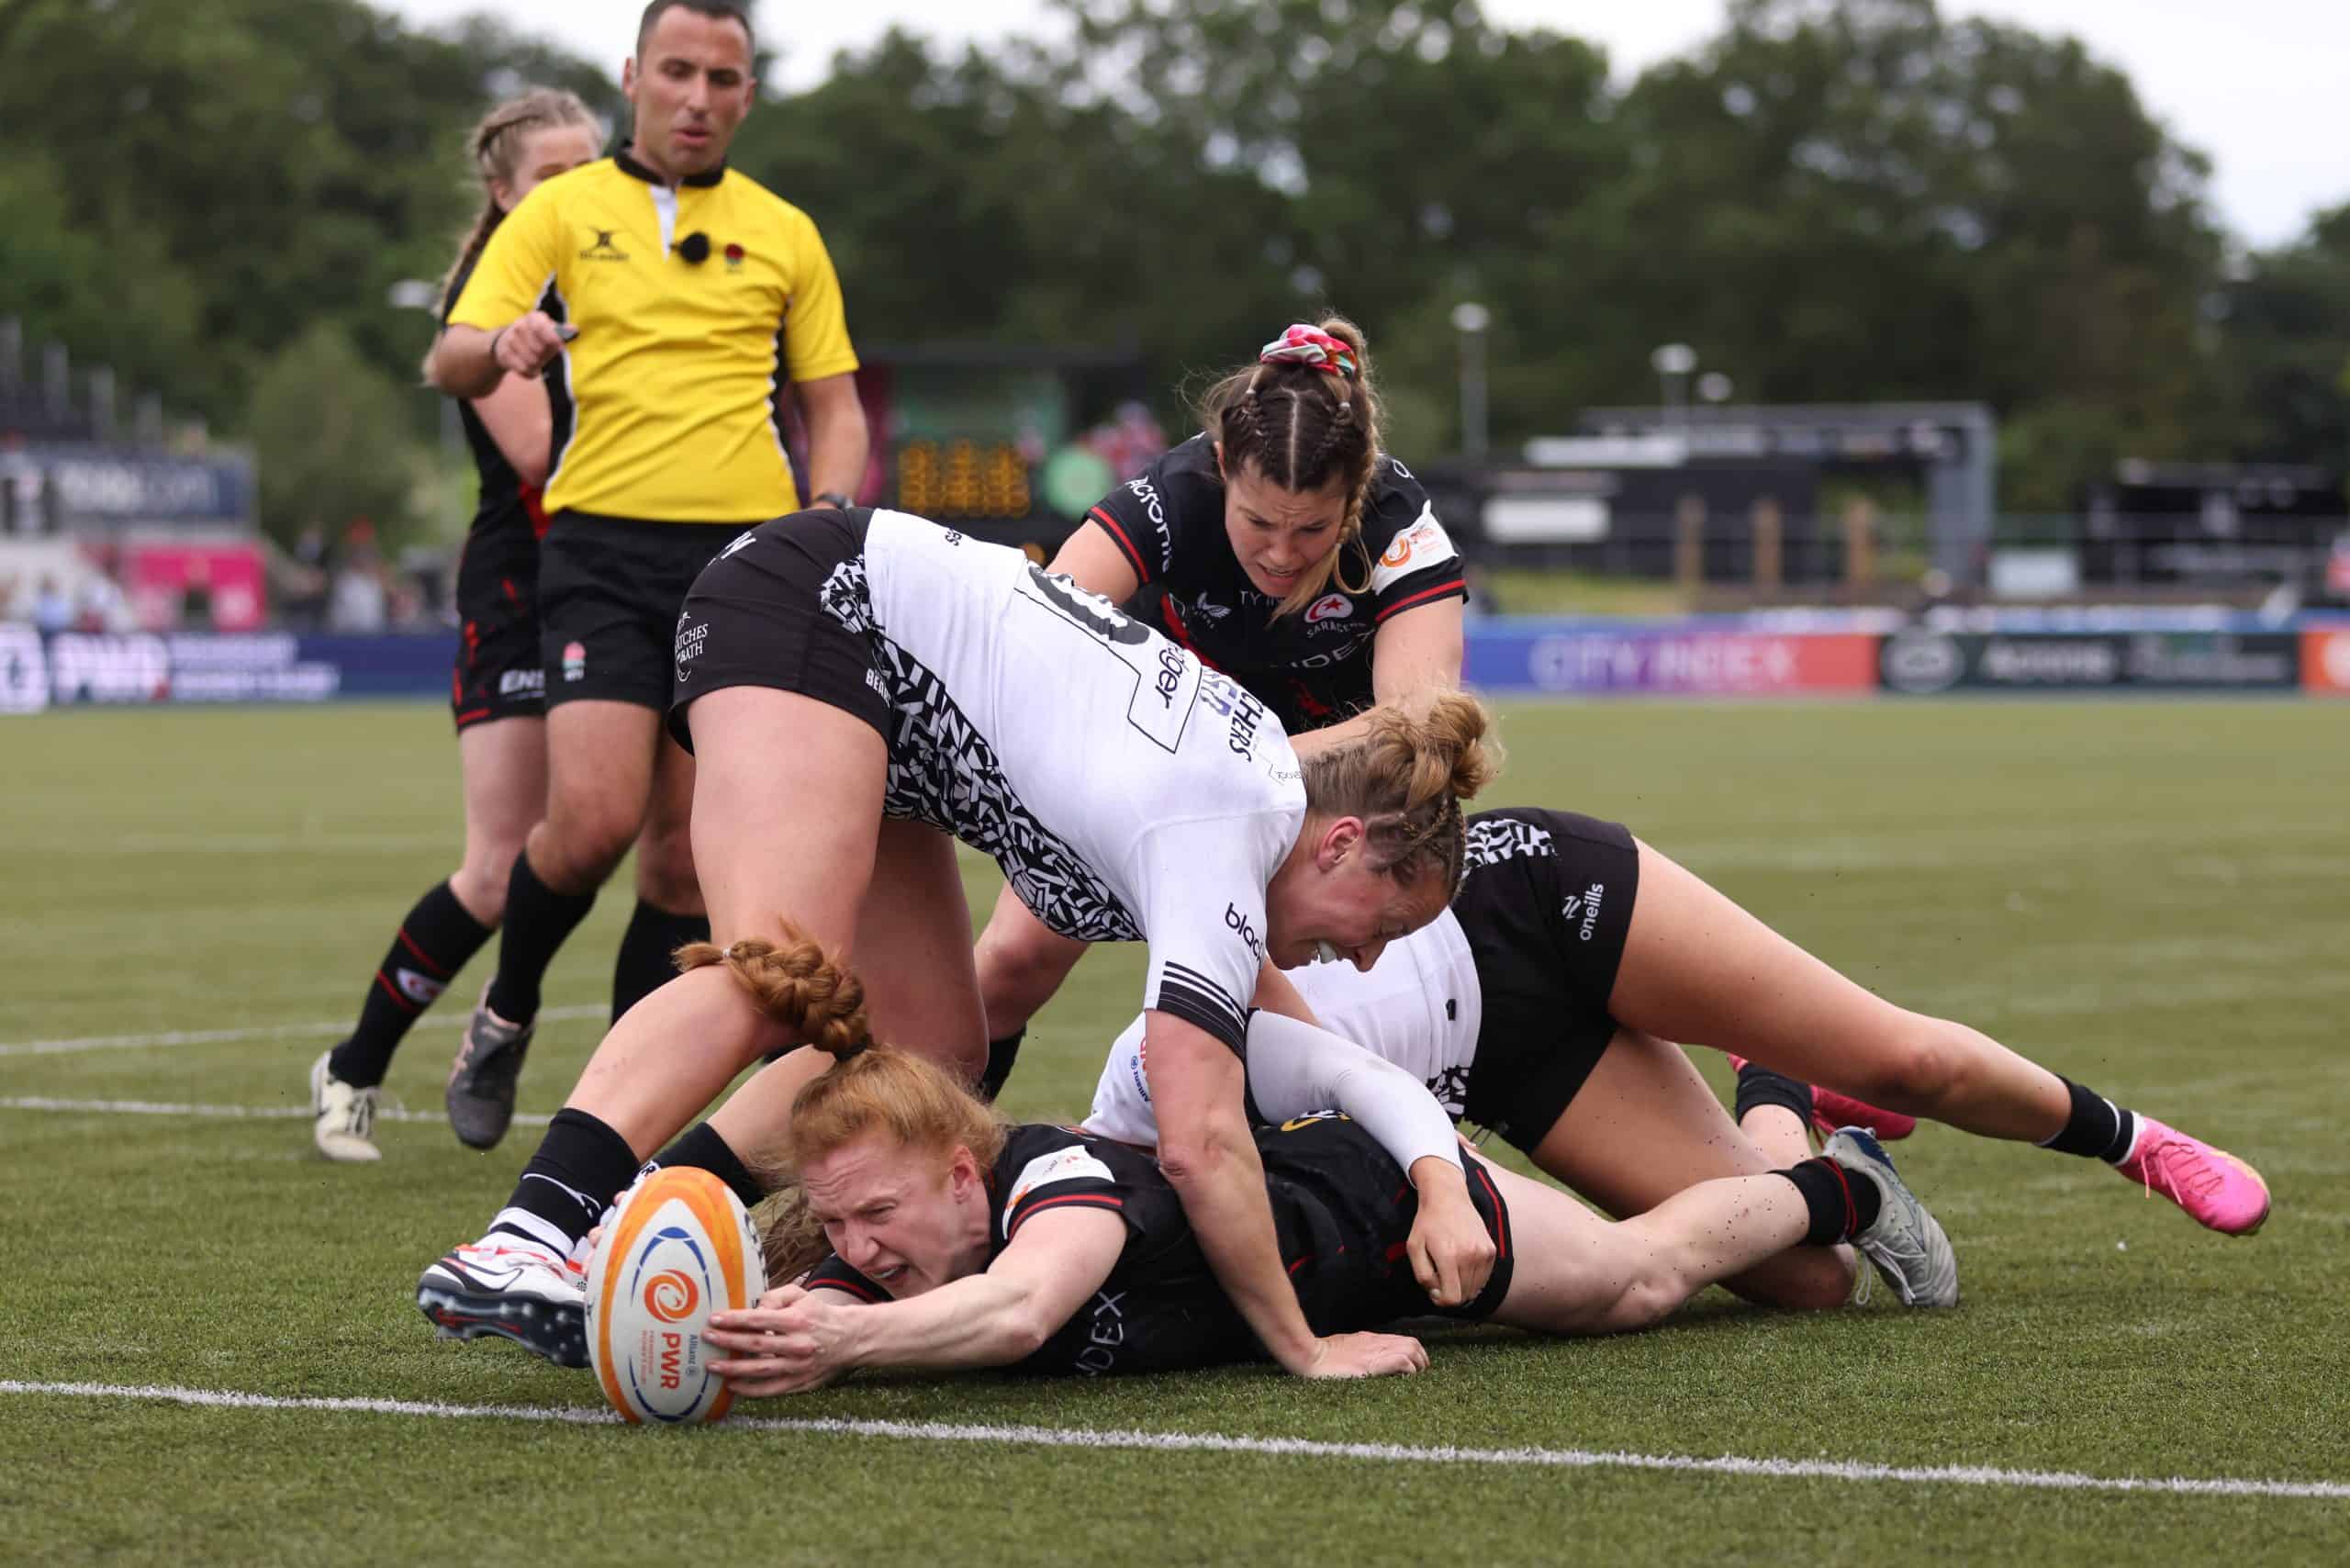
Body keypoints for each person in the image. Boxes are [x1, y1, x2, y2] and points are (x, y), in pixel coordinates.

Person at [415, 500, 1498, 1383]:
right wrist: (1303, 1348)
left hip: (885, 692)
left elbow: (1265, 1035)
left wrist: (1425, 1162)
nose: (1363, 960)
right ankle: (527, 1234)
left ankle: (635, 1220)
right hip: (822, 605)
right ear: (1343, 843)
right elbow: (1197, 1138)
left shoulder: (1248, 802)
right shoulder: (1228, 823)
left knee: (937, 1046)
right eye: (1383, 929)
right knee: (778, 976)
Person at [1083, 808, 2272, 1252]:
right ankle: (1781, 1092)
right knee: (1806, 1281)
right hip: (1505, 1061)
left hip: (1539, 909)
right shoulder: (1164, 1180)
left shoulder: (1157, 1069)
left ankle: (2132, 1142)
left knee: (1900, 1056)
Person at [425, 0, 869, 1150]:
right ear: (633, 76)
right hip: (600, 547)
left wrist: (825, 514)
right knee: (590, 821)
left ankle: (619, 1112)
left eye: (723, 78)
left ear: (747, 95)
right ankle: (506, 1009)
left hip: (742, 565)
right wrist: (502, 344)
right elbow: (450, 352)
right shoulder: (565, 209)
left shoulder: (785, 230)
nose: (697, 98)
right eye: (677, 71)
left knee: (680, 856)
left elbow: (834, 407)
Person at [693, 1018, 1952, 1394]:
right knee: (1813, 1287)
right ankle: (1785, 1104)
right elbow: (791, 1300)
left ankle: (1845, 1181)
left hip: (1362, 1204)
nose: (857, 1246)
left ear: (961, 1175)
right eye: (839, 1221)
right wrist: (693, 1331)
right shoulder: (870, 1263)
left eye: (878, 1213)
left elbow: (1022, 1311)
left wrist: (847, 1343)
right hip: (1314, 1268)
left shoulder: (1046, 1181)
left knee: (1639, 1282)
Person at [973, 319, 1469, 1094]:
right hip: (1161, 746)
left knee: (1272, 1003)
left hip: (1313, 789)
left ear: (1356, 493)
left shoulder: (1399, 527)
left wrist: (1239, 767)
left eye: (1312, 530)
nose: (1280, 552)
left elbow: (1414, 730)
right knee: (1010, 964)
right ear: (1222, 468)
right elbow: (1042, 630)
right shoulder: (1176, 493)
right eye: (1258, 522)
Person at [306, 89, 604, 1163]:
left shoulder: (634, 280)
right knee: (498, 863)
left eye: (589, 169)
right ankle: (353, 1067)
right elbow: (538, 459)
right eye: (549, 178)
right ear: (503, 192)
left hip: (630, 586)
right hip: (525, 595)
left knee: (666, 860)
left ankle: (631, 1118)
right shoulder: (488, 310)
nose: (575, 194)